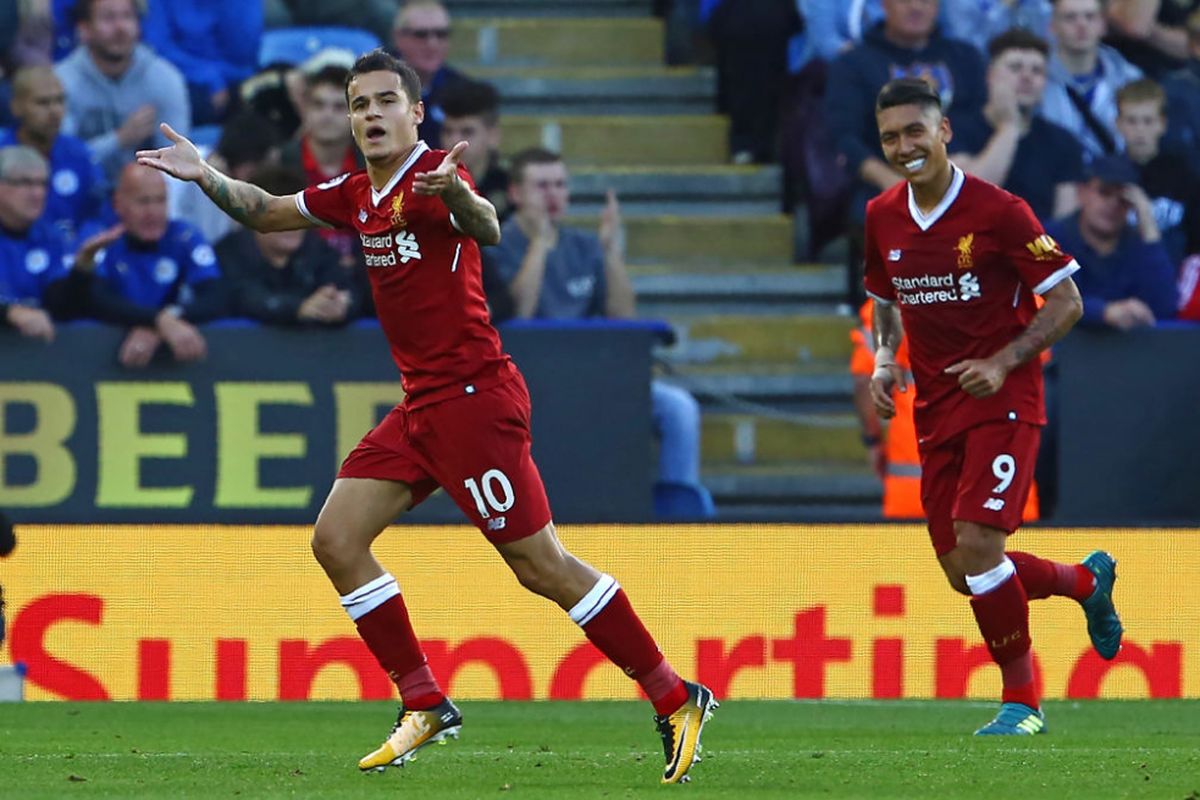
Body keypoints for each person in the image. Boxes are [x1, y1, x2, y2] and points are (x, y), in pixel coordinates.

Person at [134, 49, 716, 784]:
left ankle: (674, 693)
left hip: (474, 401)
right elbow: (266, 211)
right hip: (423, 408)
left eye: (385, 101)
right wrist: (205, 174)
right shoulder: (355, 194)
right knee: (337, 539)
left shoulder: (437, 178)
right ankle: (424, 700)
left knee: (542, 567)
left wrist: (462, 200)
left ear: (415, 113)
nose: (371, 114)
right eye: (358, 104)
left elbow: (489, 225)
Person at [864, 78, 1122, 735]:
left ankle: (1023, 704)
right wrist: (888, 359)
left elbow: (1066, 302)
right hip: (938, 409)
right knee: (963, 570)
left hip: (1006, 397)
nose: (904, 146)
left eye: (915, 131)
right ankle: (1084, 583)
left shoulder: (1000, 210)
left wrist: (1004, 361)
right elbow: (887, 297)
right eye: (890, 136)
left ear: (944, 130)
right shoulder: (882, 215)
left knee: (981, 547)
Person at [484, 148, 716, 519]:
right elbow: (519, 312)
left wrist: (610, 252)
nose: (552, 195)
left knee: (678, 408)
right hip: (525, 381)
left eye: (560, 185)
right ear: (515, 194)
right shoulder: (496, 244)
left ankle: (678, 515)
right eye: (541, 186)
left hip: (593, 375)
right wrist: (541, 246)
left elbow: (623, 316)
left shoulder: (584, 246)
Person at [826, 0, 987, 302]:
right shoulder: (854, 64)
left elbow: (979, 122)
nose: (916, 7)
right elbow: (845, 137)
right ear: (884, 5)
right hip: (885, 181)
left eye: (926, 0)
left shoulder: (966, 58)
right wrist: (893, 182)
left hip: (965, 176)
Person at [89, 164, 228, 368]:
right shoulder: (100, 237)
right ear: (118, 204)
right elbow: (94, 298)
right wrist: (158, 320)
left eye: (160, 200)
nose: (153, 212)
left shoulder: (185, 236)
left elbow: (216, 296)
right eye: (143, 202)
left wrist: (164, 321)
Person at [950, 28, 1084, 222]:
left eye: (1037, 71)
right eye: (1015, 67)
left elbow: (1066, 224)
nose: (1027, 77)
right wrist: (1009, 128)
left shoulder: (1063, 142)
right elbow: (967, 197)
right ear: (990, 75)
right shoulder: (955, 129)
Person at [54, 0, 191, 183]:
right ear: (84, 29)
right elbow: (62, 160)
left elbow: (177, 160)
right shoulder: (61, 81)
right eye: (108, 18)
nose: (120, 27)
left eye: (127, 17)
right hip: (81, 191)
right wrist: (119, 139)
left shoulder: (165, 78)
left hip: (144, 194)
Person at [215, 166, 361, 327]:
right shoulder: (229, 252)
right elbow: (242, 298)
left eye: (297, 217)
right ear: (253, 218)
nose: (292, 226)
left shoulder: (318, 249)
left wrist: (340, 305)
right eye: (281, 217)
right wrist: (298, 308)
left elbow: (351, 291)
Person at [1045, 154, 1178, 328]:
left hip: (1128, 354)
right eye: (1105, 192)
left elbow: (1166, 306)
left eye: (1123, 199)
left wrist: (1148, 224)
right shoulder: (1051, 237)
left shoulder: (1139, 246)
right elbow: (1051, 299)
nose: (1113, 204)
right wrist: (1103, 312)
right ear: (1082, 193)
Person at [0, 145, 116, 342]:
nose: (37, 193)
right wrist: (9, 313)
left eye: (42, 184)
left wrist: (81, 270)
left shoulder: (53, 239)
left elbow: (60, 306)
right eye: (26, 183)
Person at [0, 66, 105, 245]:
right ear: (16, 107)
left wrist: (83, 245)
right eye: (43, 102)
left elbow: (99, 214)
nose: (54, 111)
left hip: (69, 260)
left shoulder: (81, 156)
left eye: (59, 101)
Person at [280, 65, 363, 268]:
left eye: (338, 107)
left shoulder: (374, 166)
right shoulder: (280, 164)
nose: (327, 115)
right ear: (306, 109)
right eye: (319, 105)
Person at [1113, 78, 1200, 267]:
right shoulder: (1105, 176)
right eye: (1132, 121)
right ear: (1118, 124)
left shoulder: (1185, 175)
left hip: (1176, 275)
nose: (1140, 130)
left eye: (1148, 121)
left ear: (1162, 124)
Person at [1041, 0, 1143, 160]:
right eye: (1070, 17)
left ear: (1103, 25)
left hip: (1116, 177)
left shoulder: (1130, 78)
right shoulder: (1035, 79)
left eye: (1090, 17)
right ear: (1052, 27)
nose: (1081, 25)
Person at [141, 0, 261, 125]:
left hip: (237, 78)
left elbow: (245, 54)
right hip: (186, 79)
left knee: (268, 97)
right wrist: (211, 78)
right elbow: (158, 48)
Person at [389, 1, 466, 149]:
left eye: (441, 34)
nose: (432, 43)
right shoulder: (375, 84)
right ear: (398, 38)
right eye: (421, 35)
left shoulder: (463, 90)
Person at [440, 79, 511, 221]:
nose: (454, 141)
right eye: (448, 131)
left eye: (467, 132)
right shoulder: (429, 187)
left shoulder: (511, 189)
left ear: (493, 136)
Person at [1105, 0, 1200, 78]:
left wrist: (1149, 29)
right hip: (1113, 62)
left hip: (1171, 72)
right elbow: (1135, 27)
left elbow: (1192, 45)